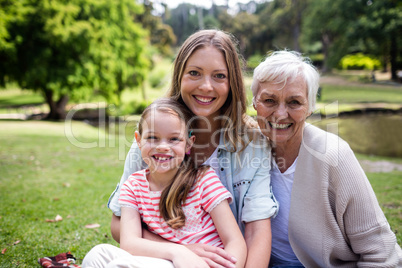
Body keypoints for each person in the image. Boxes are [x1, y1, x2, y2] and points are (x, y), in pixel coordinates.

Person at [108, 29, 278, 268]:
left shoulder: (252, 143)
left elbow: (257, 232)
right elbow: (119, 223)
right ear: (180, 76)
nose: (206, 86)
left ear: (232, 83)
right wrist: (180, 251)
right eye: (194, 73)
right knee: (101, 256)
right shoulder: (153, 140)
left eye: (219, 76)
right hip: (163, 260)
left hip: (226, 260)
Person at [251, 50, 402, 267]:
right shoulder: (246, 148)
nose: (281, 113)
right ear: (255, 103)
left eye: (294, 102)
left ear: (310, 108)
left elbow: (381, 253)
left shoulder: (333, 155)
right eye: (269, 100)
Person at [82, 98, 247, 268]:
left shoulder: (203, 180)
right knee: (97, 254)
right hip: (166, 257)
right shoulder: (133, 186)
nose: (162, 146)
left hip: (199, 264)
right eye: (152, 137)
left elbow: (235, 241)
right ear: (138, 140)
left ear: (188, 143)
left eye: (174, 139)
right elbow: (129, 243)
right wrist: (179, 251)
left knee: (122, 265)